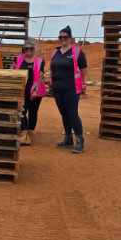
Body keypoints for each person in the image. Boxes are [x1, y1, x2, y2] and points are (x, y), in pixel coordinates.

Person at [50, 26, 88, 154]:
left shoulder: (77, 52)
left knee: (72, 114)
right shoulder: (55, 52)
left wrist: (81, 82)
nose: (62, 39)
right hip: (57, 88)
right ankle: (68, 138)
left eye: (65, 37)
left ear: (70, 38)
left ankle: (79, 140)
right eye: (60, 37)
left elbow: (84, 69)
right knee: (64, 114)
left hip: (71, 89)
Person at [13, 39, 45, 146]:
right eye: (26, 48)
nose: (28, 50)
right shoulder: (19, 58)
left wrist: (36, 90)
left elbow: (40, 76)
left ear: (34, 49)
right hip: (22, 90)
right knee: (22, 110)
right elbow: (13, 66)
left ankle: (30, 130)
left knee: (33, 112)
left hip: (34, 90)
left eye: (30, 48)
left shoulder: (39, 61)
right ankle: (24, 131)